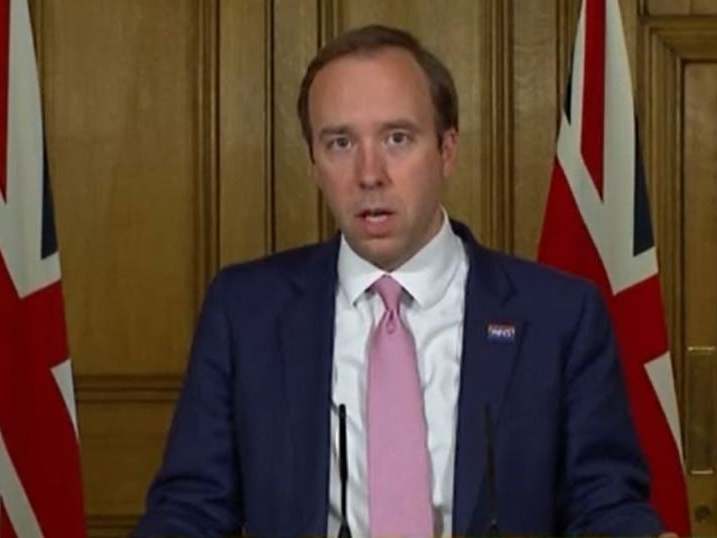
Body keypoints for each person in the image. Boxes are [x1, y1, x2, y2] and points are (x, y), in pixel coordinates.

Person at [134, 25, 667, 537]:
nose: (370, 174)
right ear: (315, 163)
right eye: (340, 143)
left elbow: (605, 502)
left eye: (397, 138)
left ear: (447, 150)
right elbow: (191, 507)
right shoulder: (246, 310)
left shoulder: (559, 315)